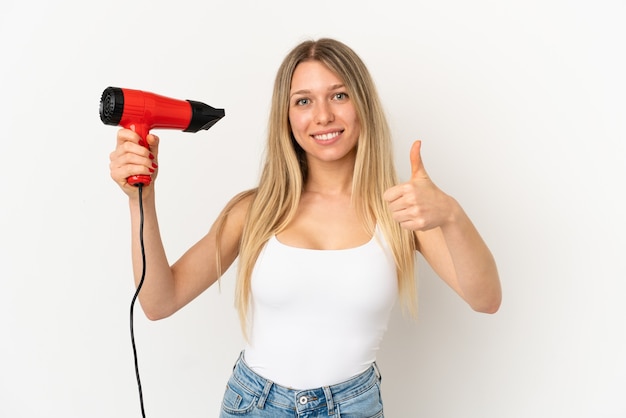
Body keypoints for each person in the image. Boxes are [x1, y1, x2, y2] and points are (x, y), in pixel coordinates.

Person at [109, 37, 501, 417]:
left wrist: (451, 214)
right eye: (303, 101)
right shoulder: (256, 211)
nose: (323, 116)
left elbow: (485, 299)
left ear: (363, 105)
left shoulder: (403, 211)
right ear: (287, 115)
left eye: (339, 95)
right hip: (254, 406)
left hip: (353, 407)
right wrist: (140, 200)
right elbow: (159, 302)